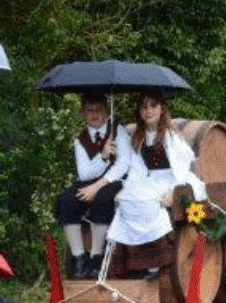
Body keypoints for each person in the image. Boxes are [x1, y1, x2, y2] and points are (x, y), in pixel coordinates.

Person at [107, 93, 207, 269]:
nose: (148, 111)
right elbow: (138, 171)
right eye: (144, 107)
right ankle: (131, 256)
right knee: (128, 200)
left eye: (153, 106)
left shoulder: (170, 135)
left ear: (162, 109)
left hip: (171, 178)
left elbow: (181, 168)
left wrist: (175, 190)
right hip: (150, 180)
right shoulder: (139, 137)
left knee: (154, 203)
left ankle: (157, 256)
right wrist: (127, 189)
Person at [56, 93, 132, 278]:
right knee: (66, 200)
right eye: (89, 111)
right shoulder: (80, 140)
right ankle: (79, 257)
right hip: (89, 181)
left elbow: (123, 165)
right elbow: (84, 173)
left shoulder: (118, 131)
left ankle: (96, 257)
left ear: (106, 112)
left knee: (102, 198)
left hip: (115, 180)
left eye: (98, 109)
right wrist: (103, 156)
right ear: (83, 114)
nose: (94, 114)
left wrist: (97, 186)